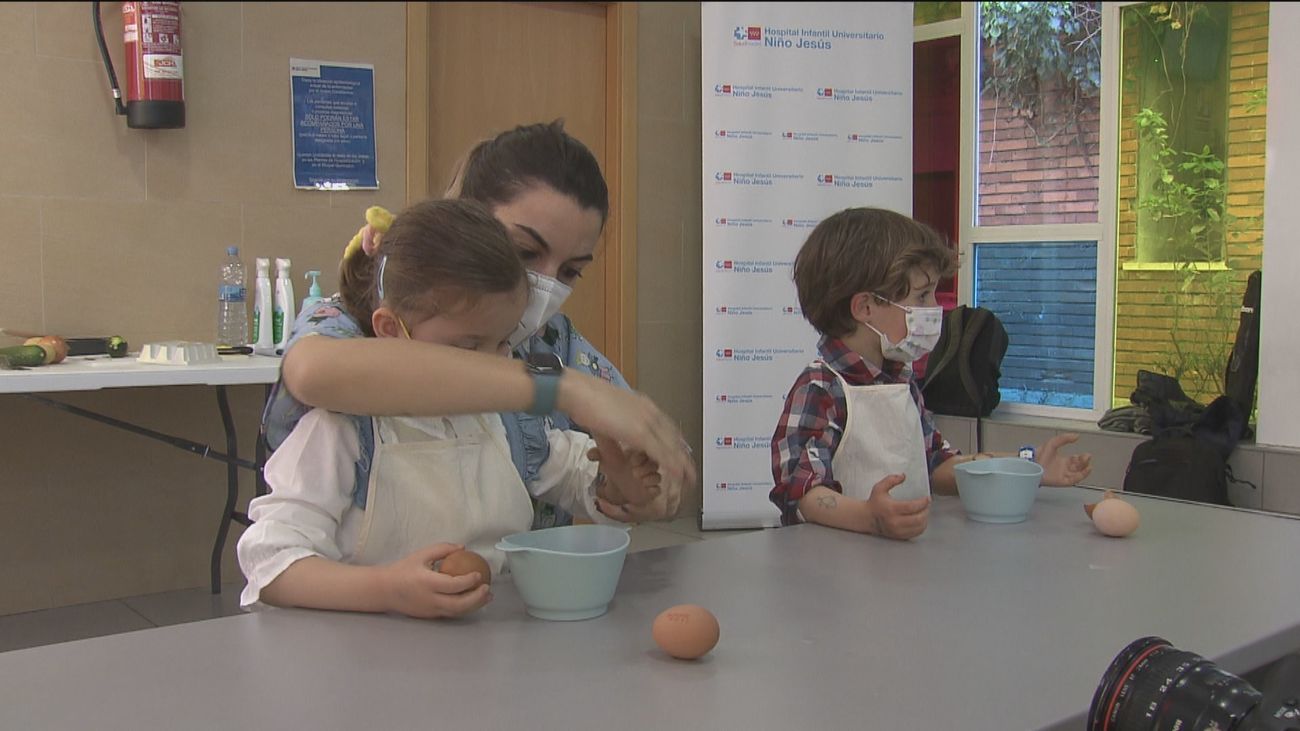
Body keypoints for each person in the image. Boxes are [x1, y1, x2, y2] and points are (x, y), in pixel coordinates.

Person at [237, 199, 668, 619]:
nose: (494, 366)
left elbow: (578, 475)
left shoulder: (507, 422)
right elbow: (272, 562)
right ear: (391, 330)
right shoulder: (345, 429)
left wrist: (617, 481)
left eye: (503, 342)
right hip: (365, 663)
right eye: (467, 347)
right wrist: (386, 590)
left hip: (488, 661)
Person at [261, 121, 688, 526]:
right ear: (462, 219)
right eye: (524, 252)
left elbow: (635, 461)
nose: (544, 286)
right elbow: (314, 373)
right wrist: (560, 388)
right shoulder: (357, 320)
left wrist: (634, 485)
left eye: (570, 272)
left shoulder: (553, 342)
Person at [770, 207, 1093, 539]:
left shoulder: (902, 381)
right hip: (833, 570)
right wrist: (869, 517)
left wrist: (1026, 464)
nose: (934, 308)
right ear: (865, 308)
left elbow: (936, 465)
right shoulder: (821, 388)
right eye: (921, 296)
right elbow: (803, 492)